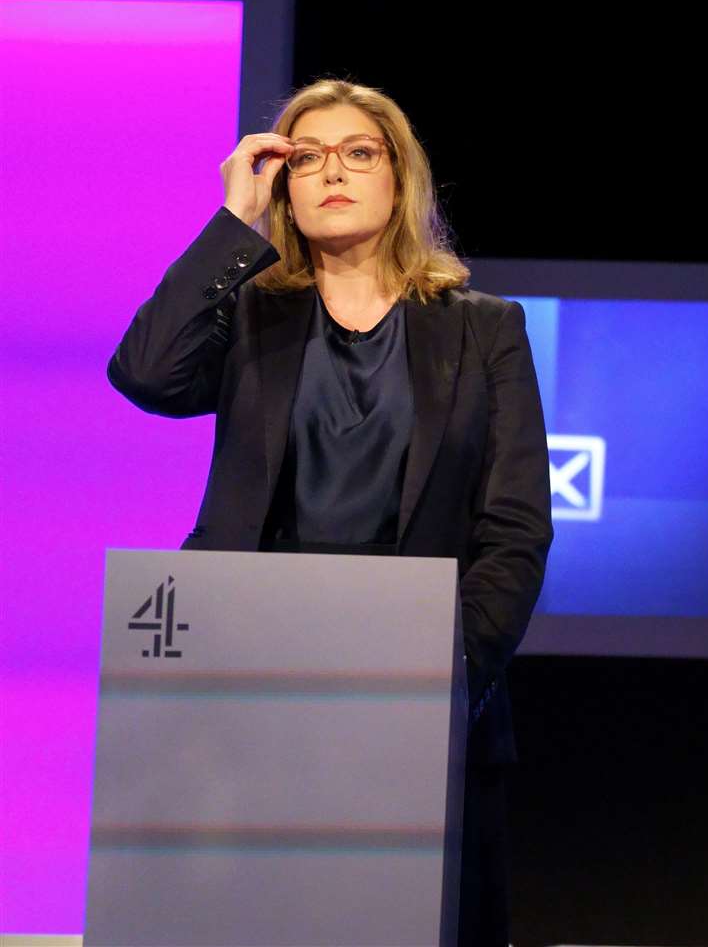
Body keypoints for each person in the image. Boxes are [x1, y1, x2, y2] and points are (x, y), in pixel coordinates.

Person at [108, 79, 552, 945]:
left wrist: (448, 669)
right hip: (245, 689)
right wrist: (236, 222)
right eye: (304, 158)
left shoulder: (484, 328)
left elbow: (515, 524)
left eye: (359, 153)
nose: (331, 172)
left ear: (399, 180)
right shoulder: (247, 314)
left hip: (421, 691)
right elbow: (148, 374)